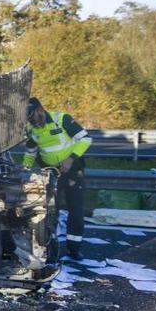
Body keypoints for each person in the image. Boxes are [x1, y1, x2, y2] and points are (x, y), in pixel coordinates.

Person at [23, 97, 92, 260]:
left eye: (34, 117)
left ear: (40, 110)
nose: (33, 122)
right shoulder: (30, 128)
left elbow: (86, 139)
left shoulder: (61, 119)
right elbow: (31, 151)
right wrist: (24, 170)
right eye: (29, 120)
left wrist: (71, 159)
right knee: (50, 211)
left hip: (73, 170)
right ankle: (50, 247)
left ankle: (74, 248)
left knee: (75, 209)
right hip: (51, 173)